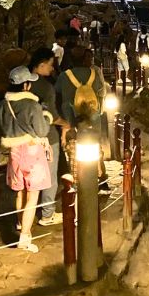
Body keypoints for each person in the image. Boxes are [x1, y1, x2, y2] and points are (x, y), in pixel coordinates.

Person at [0, 65, 52, 252]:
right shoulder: (32, 105)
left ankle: (22, 225)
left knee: (20, 192)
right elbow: (42, 129)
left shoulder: (3, 104)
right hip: (32, 152)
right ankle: (24, 238)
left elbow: (4, 128)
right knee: (33, 196)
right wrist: (46, 114)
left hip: (14, 152)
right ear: (26, 85)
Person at [55, 47, 109, 191]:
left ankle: (74, 181)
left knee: (73, 150)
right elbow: (101, 91)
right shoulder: (93, 74)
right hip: (92, 118)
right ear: (85, 59)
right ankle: (101, 178)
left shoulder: (64, 76)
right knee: (95, 148)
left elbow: (58, 92)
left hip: (70, 118)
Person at [27, 48, 66, 227]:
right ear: (41, 65)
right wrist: (66, 124)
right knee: (49, 175)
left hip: (24, 138)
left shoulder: (20, 84)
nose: (52, 69)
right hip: (47, 136)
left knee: (27, 177)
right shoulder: (45, 87)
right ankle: (47, 214)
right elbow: (53, 115)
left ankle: (23, 217)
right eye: (50, 65)